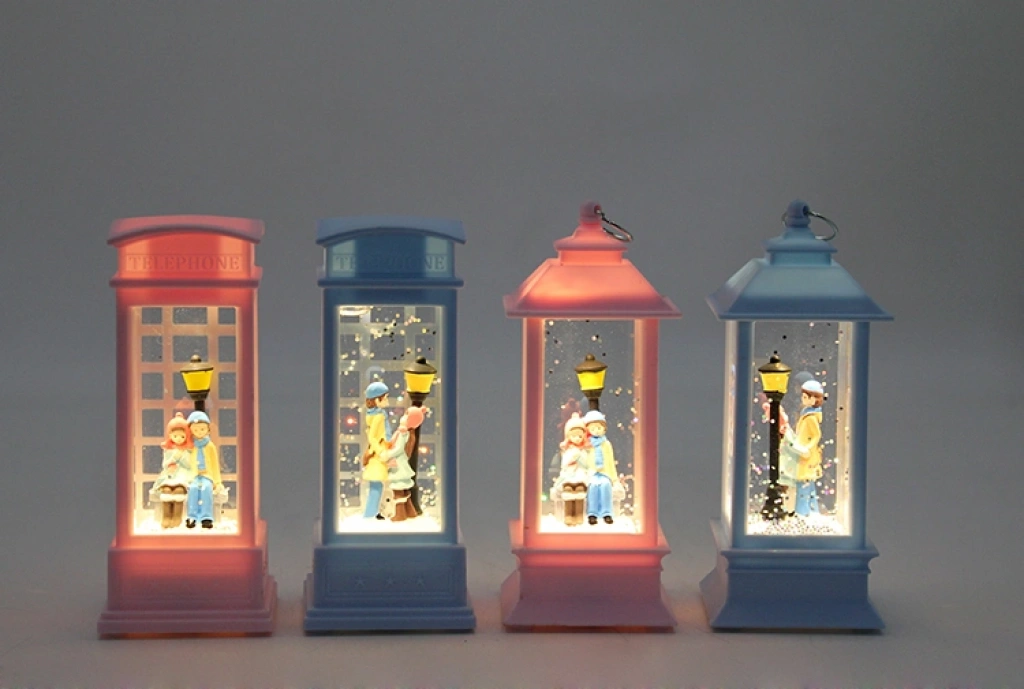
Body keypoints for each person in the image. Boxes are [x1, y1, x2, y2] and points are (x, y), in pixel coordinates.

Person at [783, 379, 824, 517]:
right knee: (808, 483)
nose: (802, 399)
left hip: (806, 455)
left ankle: (802, 511)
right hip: (804, 452)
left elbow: (816, 435)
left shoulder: (811, 417)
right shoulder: (807, 414)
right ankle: (812, 510)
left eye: (805, 397)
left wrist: (807, 448)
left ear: (813, 399)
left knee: (803, 482)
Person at [154, 413, 194, 528]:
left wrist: (181, 457)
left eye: (182, 436)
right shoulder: (168, 449)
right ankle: (166, 516)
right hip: (170, 474)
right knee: (166, 490)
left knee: (179, 490)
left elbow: (188, 465)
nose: (178, 439)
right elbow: (165, 464)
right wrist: (173, 459)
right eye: (175, 436)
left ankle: (177, 516)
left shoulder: (188, 450)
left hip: (183, 474)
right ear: (170, 435)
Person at [384, 407, 425, 522]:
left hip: (398, 463)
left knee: (397, 490)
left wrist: (387, 454)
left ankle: (399, 515)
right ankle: (410, 512)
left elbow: (399, 449)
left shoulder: (403, 433)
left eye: (406, 415)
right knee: (401, 489)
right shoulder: (403, 432)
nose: (403, 417)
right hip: (399, 461)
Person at [185, 410, 222, 529]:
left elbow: (215, 464)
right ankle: (192, 516)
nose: (199, 432)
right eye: (195, 430)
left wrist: (217, 481)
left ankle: (206, 517)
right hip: (194, 475)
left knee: (206, 489)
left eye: (202, 429)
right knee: (193, 489)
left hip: (207, 475)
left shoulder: (210, 446)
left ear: (208, 430)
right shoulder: (190, 445)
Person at [582, 410, 618, 525]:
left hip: (604, 472)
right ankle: (592, 513)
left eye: (599, 428)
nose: (596, 431)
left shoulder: (606, 444)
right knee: (592, 487)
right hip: (592, 472)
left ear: (604, 428)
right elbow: (583, 459)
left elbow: (610, 460)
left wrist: (614, 478)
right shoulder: (587, 444)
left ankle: (606, 513)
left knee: (605, 485)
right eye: (592, 428)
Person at [362, 381, 391, 519]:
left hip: (377, 452)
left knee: (377, 485)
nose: (387, 400)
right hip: (377, 454)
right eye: (385, 398)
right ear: (377, 400)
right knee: (376, 485)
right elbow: (372, 437)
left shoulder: (375, 414)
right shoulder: (378, 416)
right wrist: (381, 451)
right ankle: (370, 514)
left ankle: (372, 513)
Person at [553, 412, 589, 526]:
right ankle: (568, 515)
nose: (577, 439)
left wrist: (579, 458)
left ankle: (579, 515)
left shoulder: (583, 450)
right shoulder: (567, 450)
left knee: (580, 493)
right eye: (574, 436)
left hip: (580, 476)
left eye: (580, 436)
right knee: (568, 492)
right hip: (568, 476)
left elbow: (586, 464)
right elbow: (564, 464)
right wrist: (571, 460)